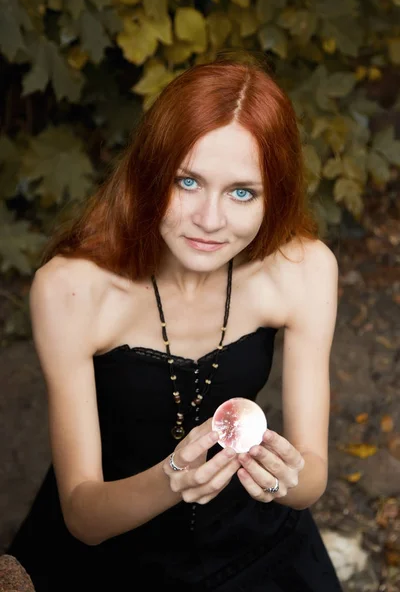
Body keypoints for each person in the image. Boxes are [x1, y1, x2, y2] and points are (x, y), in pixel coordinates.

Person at [8, 52, 343, 591]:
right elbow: (83, 518)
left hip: (253, 545)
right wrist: (175, 479)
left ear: (272, 196)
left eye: (242, 192)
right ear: (149, 172)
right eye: (187, 182)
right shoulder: (71, 289)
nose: (210, 221)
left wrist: (286, 478)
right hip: (111, 546)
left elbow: (311, 477)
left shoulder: (302, 272)